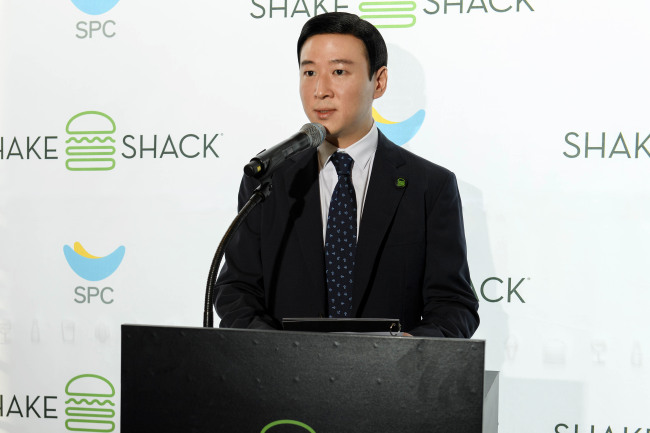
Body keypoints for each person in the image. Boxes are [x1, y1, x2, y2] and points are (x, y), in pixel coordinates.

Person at [215, 12, 479, 338]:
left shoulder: (429, 187)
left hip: (389, 382)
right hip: (283, 381)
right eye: (309, 72)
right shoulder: (269, 179)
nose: (320, 90)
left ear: (378, 82)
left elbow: (454, 306)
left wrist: (412, 352)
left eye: (338, 71)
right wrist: (279, 354)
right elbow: (235, 292)